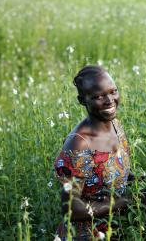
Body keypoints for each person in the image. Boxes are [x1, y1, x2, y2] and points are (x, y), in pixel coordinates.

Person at [54, 65, 132, 240]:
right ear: (83, 100)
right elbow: (70, 207)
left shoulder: (116, 126)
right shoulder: (79, 144)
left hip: (115, 229)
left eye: (113, 91)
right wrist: (123, 202)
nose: (109, 100)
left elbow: (116, 170)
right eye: (98, 96)